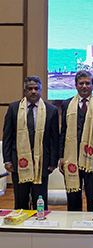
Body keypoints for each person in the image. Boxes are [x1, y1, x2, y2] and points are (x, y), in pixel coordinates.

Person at [2, 76, 59, 209]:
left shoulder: (51, 110)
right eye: (30, 89)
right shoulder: (14, 108)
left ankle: (40, 228)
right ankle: (22, 229)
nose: (33, 91)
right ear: (24, 91)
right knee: (21, 201)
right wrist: (7, 160)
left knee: (40, 201)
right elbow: (7, 136)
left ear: (40, 90)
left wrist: (52, 162)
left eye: (36, 89)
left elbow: (54, 139)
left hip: (42, 163)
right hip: (19, 163)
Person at [59, 70, 93, 212]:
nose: (84, 86)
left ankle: (92, 225)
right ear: (76, 85)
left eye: (88, 83)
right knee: (73, 194)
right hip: (71, 156)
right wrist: (62, 156)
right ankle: (74, 227)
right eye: (81, 83)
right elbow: (63, 132)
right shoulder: (67, 104)